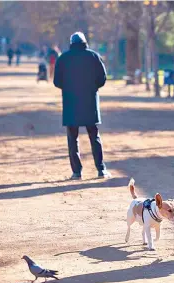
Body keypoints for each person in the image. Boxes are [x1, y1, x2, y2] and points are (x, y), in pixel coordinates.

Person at [53, 32, 111, 180]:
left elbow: (57, 81)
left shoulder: (63, 58)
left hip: (71, 103)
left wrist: (69, 88)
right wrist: (92, 88)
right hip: (90, 102)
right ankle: (101, 169)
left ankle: (77, 172)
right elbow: (102, 78)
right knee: (94, 136)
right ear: (85, 42)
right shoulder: (93, 56)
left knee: (72, 139)